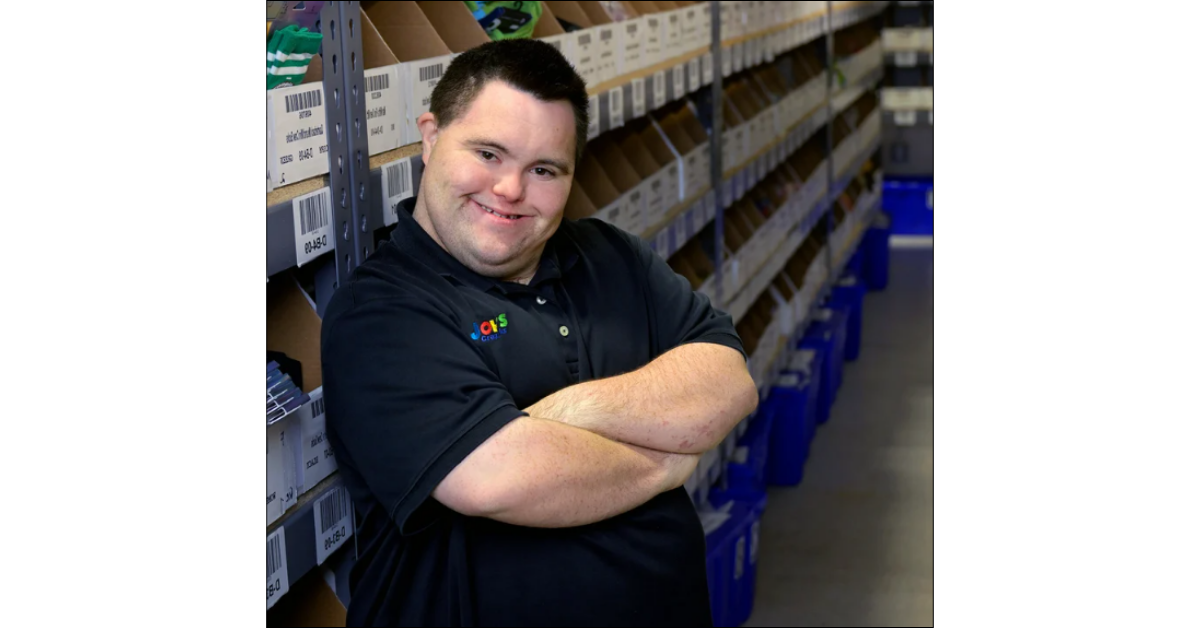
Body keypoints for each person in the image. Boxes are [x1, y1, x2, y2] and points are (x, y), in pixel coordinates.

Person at [321, 38, 759, 627]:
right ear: (429, 137)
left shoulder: (612, 256)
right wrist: (664, 459)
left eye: (544, 169)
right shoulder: (380, 313)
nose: (509, 190)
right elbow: (499, 479)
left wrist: (554, 418)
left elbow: (727, 384)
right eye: (489, 153)